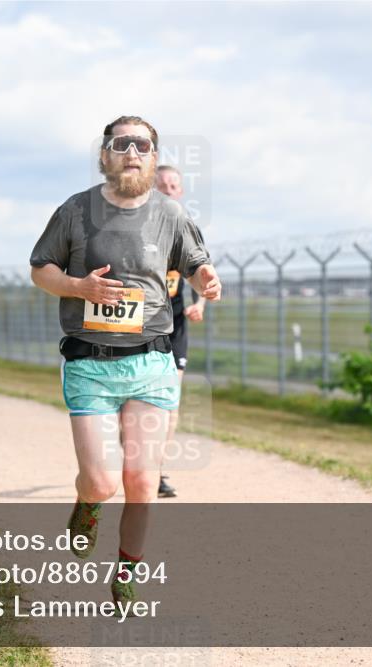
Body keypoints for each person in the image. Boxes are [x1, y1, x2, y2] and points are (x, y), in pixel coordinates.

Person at [29, 115, 221, 605]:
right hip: (89, 363)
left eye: (142, 144)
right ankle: (86, 504)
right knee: (101, 480)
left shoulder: (171, 214)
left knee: (140, 479)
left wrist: (206, 280)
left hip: (151, 361)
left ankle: (127, 569)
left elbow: (196, 260)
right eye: (121, 143)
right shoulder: (75, 211)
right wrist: (78, 286)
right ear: (105, 155)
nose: (132, 151)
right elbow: (40, 269)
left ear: (153, 157)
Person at [153, 165, 207, 498]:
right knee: (136, 402)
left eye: (174, 186)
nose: (169, 191)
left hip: (175, 323)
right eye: (162, 186)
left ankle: (156, 470)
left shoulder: (188, 230)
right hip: (141, 325)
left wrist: (200, 303)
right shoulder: (136, 228)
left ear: (181, 191)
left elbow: (202, 272)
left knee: (170, 400)